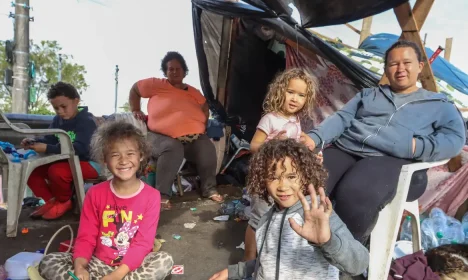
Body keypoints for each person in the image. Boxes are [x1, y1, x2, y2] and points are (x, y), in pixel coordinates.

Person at [302, 40, 466, 242]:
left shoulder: (439, 104)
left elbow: (455, 138)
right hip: (347, 148)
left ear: (420, 67)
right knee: (309, 179)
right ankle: (298, 243)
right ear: (386, 68)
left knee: (356, 192)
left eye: (407, 62)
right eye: (393, 64)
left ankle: (344, 254)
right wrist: (314, 138)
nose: (400, 69)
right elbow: (342, 118)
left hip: (394, 159)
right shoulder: (369, 95)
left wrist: (415, 146)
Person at [209, 139, 369, 280]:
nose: (283, 186)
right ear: (262, 180)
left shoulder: (317, 215)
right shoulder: (266, 218)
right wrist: (236, 271)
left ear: (305, 177)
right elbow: (268, 260)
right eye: (273, 177)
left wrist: (327, 242)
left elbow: (358, 264)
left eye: (291, 177)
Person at [38, 121, 174, 280]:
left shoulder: (152, 196)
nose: (123, 161)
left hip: (131, 268)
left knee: (164, 261)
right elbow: (86, 237)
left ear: (141, 155)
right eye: (115, 155)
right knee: (48, 262)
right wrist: (80, 267)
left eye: (130, 153)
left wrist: (117, 275)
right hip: (97, 264)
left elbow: (143, 244)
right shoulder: (94, 194)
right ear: (104, 160)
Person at [129, 51, 223, 210]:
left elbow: (204, 107)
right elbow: (135, 90)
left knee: (206, 147)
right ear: (165, 72)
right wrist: (135, 109)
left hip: (191, 138)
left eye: (178, 69)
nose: (174, 71)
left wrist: (202, 123)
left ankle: (209, 189)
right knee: (172, 147)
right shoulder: (157, 84)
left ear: (184, 71)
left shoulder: (193, 92)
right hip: (158, 136)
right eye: (170, 69)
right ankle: (162, 195)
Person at [245, 68, 319, 261]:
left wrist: (310, 152)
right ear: (280, 91)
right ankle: (249, 259)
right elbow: (253, 146)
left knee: (278, 216)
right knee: (258, 219)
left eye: (301, 95)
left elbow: (296, 147)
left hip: (283, 180)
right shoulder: (270, 119)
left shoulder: (296, 121)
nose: (295, 99)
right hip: (265, 178)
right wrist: (271, 143)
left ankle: (268, 255)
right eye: (291, 92)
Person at [21, 82, 99, 220]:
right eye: (56, 108)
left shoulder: (86, 121)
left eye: (64, 106)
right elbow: (50, 139)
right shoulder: (58, 120)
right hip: (67, 162)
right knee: (31, 170)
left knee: (57, 171)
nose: (60, 111)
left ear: (76, 101)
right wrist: (35, 142)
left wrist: (47, 148)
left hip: (90, 163)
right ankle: (51, 201)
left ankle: (64, 202)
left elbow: (81, 148)